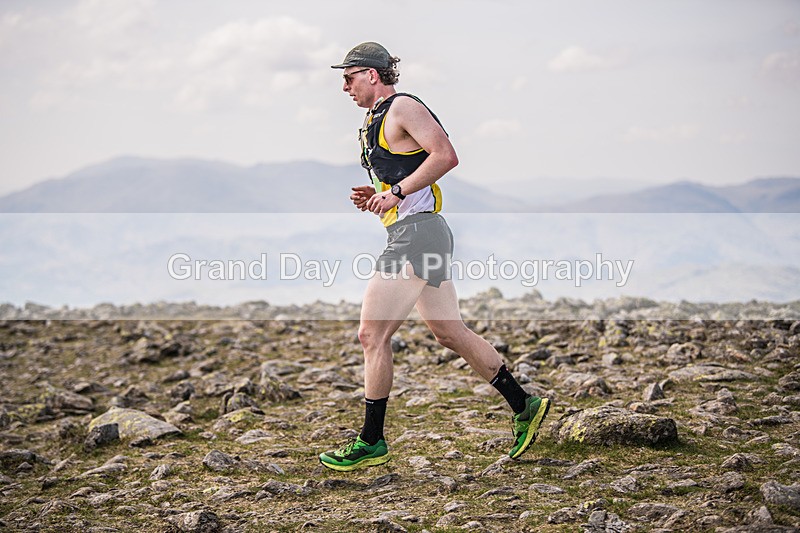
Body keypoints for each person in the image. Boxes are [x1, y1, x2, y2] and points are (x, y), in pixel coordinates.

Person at [319, 42, 550, 471]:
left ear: (373, 74)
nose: (343, 86)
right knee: (449, 331)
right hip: (422, 232)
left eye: (348, 76)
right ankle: (524, 405)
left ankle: (371, 440)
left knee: (372, 336)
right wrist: (382, 195)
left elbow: (446, 155)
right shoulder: (377, 120)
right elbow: (409, 174)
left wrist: (397, 194)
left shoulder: (402, 106)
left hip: (416, 236)